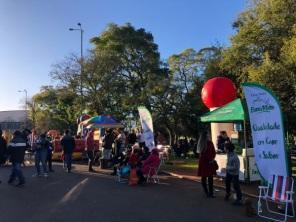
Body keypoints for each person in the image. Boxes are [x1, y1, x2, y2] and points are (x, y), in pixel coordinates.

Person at [197, 131, 216, 198]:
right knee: (206, 177)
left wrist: (212, 159)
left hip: (206, 162)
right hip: (206, 162)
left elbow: (213, 152)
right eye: (208, 135)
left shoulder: (207, 143)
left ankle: (209, 192)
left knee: (207, 177)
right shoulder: (205, 143)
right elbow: (211, 152)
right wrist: (211, 159)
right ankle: (208, 192)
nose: (208, 136)